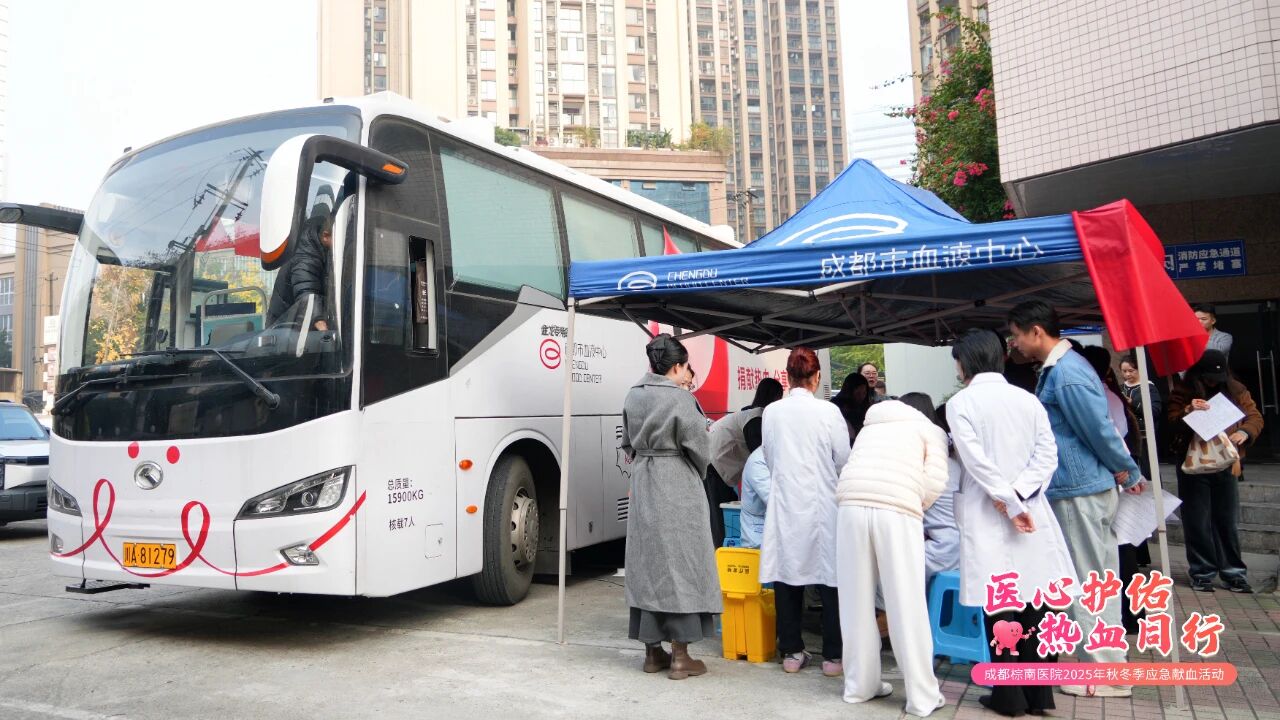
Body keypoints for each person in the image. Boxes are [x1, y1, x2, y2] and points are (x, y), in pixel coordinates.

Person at [1008, 301, 1142, 699]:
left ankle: (1105, 674)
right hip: (1082, 487)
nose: (1014, 344)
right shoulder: (1065, 368)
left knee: (1086, 582)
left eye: (1016, 335)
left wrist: (1127, 470)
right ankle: (1106, 668)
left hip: (1079, 489)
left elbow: (1098, 430)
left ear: (1036, 331)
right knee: (1094, 579)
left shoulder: (1066, 373)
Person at [946, 329, 1079, 717]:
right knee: (1036, 599)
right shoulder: (1028, 400)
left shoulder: (961, 403)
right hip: (1031, 509)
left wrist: (1007, 499)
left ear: (965, 363)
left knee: (1000, 604)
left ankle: (1009, 696)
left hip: (991, 510)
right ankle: (1038, 695)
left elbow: (975, 460)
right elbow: (1048, 456)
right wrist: (1019, 495)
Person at [836, 392, 949, 717]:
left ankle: (860, 686)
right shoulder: (930, 431)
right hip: (897, 511)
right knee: (906, 602)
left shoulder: (870, 427)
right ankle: (922, 697)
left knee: (855, 601)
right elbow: (935, 481)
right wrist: (913, 501)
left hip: (850, 508)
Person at [620, 334, 722, 680]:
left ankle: (652, 653)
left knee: (647, 560)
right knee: (682, 560)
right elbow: (701, 448)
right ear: (676, 367)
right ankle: (681, 656)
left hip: (644, 480)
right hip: (676, 481)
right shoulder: (681, 399)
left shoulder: (633, 394)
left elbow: (628, 442)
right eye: (685, 367)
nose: (686, 374)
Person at [761, 347, 851, 676]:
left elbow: (770, 456)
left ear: (787, 377)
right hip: (823, 502)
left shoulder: (772, 412)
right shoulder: (829, 412)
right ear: (817, 377)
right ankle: (833, 657)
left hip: (786, 501)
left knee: (787, 574)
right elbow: (843, 459)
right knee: (831, 578)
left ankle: (791, 652)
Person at [1169, 349, 1265, 594]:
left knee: (1227, 520)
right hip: (1193, 464)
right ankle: (1202, 572)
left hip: (1227, 462)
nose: (1213, 383)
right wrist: (1188, 410)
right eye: (1209, 378)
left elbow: (1254, 417)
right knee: (1197, 520)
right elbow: (1169, 423)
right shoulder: (1183, 390)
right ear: (1199, 375)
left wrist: (1244, 432)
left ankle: (1234, 573)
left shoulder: (1236, 389)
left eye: (1218, 378)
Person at [706, 379, 784, 545]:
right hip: (714, 467)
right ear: (776, 397)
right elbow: (762, 456)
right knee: (720, 517)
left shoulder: (751, 414)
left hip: (718, 467)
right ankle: (720, 554)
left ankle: (722, 550)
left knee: (723, 511)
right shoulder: (756, 418)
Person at [266, 209, 333, 331]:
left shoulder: (321, 246)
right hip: (283, 328)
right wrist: (320, 323)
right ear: (325, 236)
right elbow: (306, 290)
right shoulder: (305, 252)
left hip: (297, 323)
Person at [738, 417, 768, 549]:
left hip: (769, 536)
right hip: (758, 541)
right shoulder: (758, 461)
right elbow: (775, 499)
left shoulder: (774, 456)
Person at [831, 372, 873, 444]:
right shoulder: (836, 407)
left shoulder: (866, 406)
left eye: (864, 393)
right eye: (858, 393)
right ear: (849, 391)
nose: (861, 397)